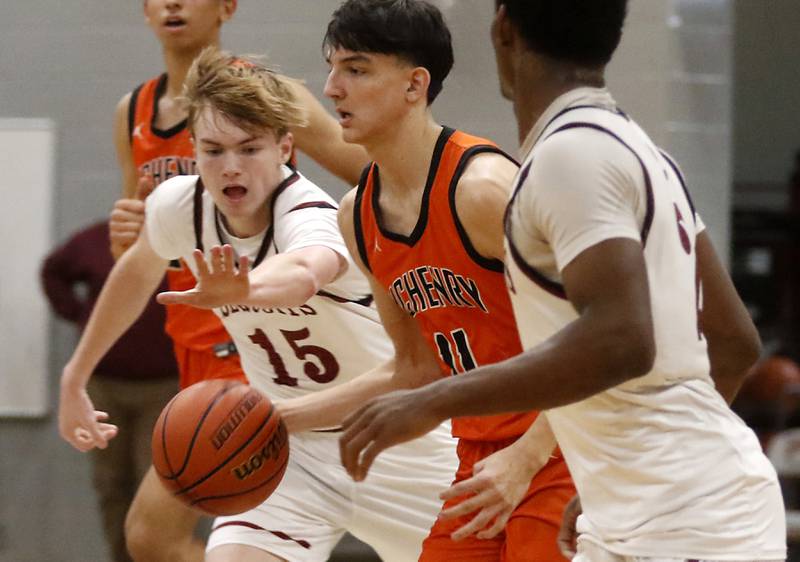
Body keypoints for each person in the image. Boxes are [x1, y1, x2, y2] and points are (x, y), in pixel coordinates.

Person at [338, 1, 788, 561]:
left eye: (353, 69)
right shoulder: (645, 153)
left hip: (683, 516)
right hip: (648, 500)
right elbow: (736, 341)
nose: (335, 86)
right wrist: (615, 472)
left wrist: (433, 401)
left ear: (503, 28)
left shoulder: (568, 156)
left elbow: (620, 339)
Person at [205, 1, 572, 559]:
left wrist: (525, 458)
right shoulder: (358, 215)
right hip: (478, 454)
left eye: (356, 69)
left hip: (563, 446)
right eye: (331, 69)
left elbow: (594, 338)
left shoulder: (484, 190)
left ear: (414, 85)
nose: (331, 89)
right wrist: (282, 419)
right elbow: (414, 365)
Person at [59, 47, 457, 562]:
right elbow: (137, 271)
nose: (230, 168)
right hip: (284, 447)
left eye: (248, 149)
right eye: (213, 151)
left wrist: (246, 290)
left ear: (284, 147)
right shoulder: (182, 205)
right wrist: (74, 376)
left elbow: (304, 273)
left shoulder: (314, 215)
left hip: (394, 443)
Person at [89, 1, 370, 559]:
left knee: (154, 527)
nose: (173, 3)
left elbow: (368, 172)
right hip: (191, 329)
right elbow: (138, 241)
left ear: (226, 7)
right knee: (152, 537)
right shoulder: (134, 111)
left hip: (261, 335)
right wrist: (127, 234)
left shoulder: (265, 94)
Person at [42, 220, 177, 562]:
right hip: (103, 383)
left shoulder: (181, 238)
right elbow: (52, 272)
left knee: (158, 486)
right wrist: (80, 315)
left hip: (164, 385)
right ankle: (121, 557)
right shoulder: (93, 238)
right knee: (111, 483)